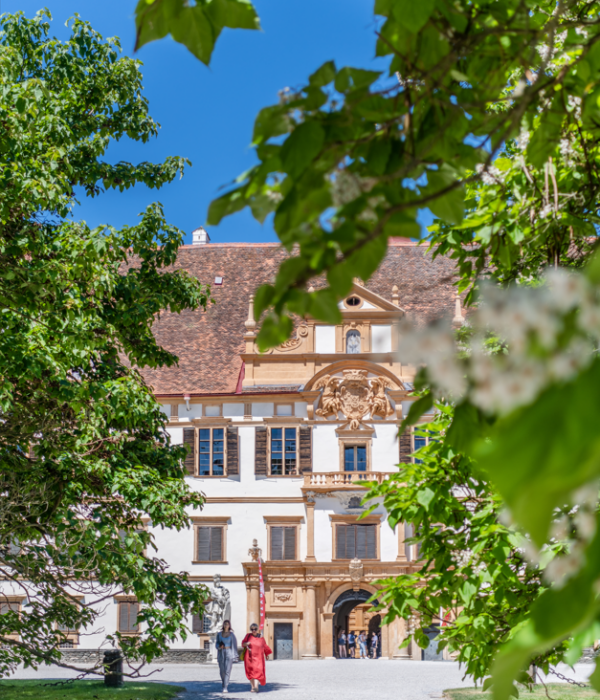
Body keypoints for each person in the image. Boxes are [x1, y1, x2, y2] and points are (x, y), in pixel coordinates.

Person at [242, 623, 272, 693]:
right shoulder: (248, 636)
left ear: (257, 629)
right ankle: (252, 687)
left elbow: (264, 645)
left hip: (259, 657)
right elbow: (243, 644)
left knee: (258, 670)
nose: (254, 630)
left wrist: (266, 654)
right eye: (252, 629)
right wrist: (247, 643)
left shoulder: (261, 637)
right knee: (250, 671)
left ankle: (256, 687)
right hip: (249, 657)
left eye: (255, 629)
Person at [216, 620, 238, 693]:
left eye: (227, 624)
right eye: (225, 624)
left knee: (227, 670)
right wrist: (219, 646)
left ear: (229, 625)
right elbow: (216, 644)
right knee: (222, 671)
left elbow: (234, 646)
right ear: (223, 625)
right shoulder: (219, 634)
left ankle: (225, 687)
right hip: (221, 652)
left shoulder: (232, 635)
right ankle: (223, 682)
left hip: (229, 652)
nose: (226, 625)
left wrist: (235, 656)